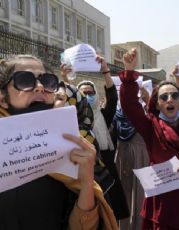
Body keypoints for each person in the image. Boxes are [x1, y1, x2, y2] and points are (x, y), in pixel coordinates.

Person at [0, 55, 117, 229]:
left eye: (47, 81)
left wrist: (86, 183)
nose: (39, 87)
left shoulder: (74, 147)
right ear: (1, 98)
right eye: (24, 80)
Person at [119, 48, 179, 230]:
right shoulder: (151, 127)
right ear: (157, 104)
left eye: (175, 95)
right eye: (164, 97)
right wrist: (128, 72)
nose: (170, 99)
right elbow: (129, 106)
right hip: (162, 206)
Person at [62, 58, 130, 221]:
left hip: (106, 166)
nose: (88, 95)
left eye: (91, 92)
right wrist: (65, 79)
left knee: (111, 209)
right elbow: (66, 99)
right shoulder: (74, 118)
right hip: (83, 169)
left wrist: (105, 70)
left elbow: (112, 97)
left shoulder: (103, 116)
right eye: (83, 93)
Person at [112, 87, 150, 230]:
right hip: (122, 161)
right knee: (124, 197)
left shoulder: (144, 115)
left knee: (140, 197)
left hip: (141, 161)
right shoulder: (117, 116)